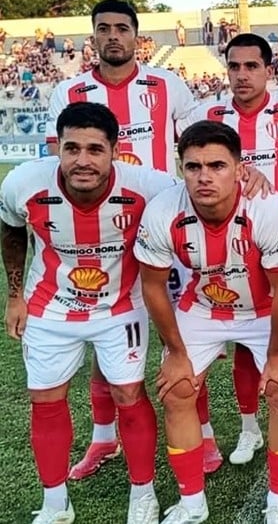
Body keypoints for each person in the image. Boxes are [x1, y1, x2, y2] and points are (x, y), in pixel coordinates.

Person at [43, 0, 222, 479]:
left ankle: (203, 433)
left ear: (136, 36)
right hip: (100, 233)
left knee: (179, 336)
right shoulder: (69, 91)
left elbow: (200, 143)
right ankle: (104, 439)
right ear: (93, 37)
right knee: (104, 335)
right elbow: (56, 161)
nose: (113, 36)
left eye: (122, 28)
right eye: (104, 28)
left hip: (163, 228)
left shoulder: (167, 85)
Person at [1, 102, 178, 524]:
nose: (83, 160)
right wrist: (14, 296)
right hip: (50, 305)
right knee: (45, 399)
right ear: (58, 149)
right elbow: (11, 229)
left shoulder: (148, 185)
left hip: (121, 305)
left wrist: (248, 175)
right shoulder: (23, 183)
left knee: (128, 395)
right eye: (72, 148)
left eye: (95, 149)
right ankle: (55, 504)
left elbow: (199, 192)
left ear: (114, 151)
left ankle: (143, 495)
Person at [134, 121, 278, 524]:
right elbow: (153, 287)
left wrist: (277, 355)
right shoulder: (163, 210)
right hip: (204, 306)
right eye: (193, 167)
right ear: (181, 169)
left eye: (216, 166)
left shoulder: (267, 207)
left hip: (264, 311)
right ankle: (192, 502)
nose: (204, 176)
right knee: (177, 391)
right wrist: (176, 353)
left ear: (239, 169)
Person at [178, 32, 278, 466]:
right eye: (234, 66)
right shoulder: (207, 114)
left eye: (251, 66)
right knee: (243, 342)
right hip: (227, 252)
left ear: (269, 70)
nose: (242, 74)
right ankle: (249, 430)